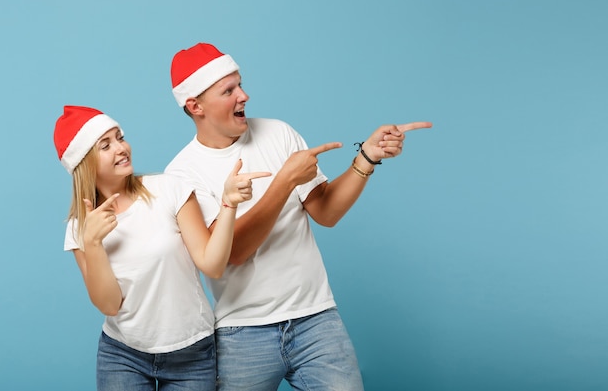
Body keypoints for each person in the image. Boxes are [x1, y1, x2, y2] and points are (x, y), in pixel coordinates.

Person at [165, 43, 432, 391]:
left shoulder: (278, 134)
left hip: (316, 319)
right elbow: (231, 253)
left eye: (240, 84)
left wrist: (367, 157)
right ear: (195, 106)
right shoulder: (182, 174)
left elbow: (324, 210)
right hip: (242, 331)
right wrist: (285, 180)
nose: (243, 96)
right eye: (228, 91)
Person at [53, 105, 270, 391]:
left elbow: (212, 264)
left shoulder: (169, 189)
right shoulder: (79, 227)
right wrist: (93, 244)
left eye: (120, 137)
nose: (121, 148)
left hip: (192, 353)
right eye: (106, 145)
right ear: (83, 163)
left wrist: (228, 203)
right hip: (123, 354)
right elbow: (109, 304)